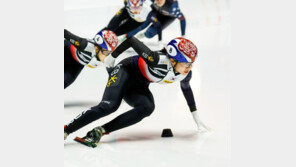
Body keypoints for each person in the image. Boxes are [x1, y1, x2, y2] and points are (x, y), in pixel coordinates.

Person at [64, 36, 210, 147]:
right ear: (172, 60)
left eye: (192, 63)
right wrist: (112, 57)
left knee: (147, 108)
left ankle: (100, 131)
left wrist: (195, 114)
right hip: (124, 71)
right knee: (109, 106)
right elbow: (132, 40)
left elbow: (186, 89)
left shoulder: (185, 73)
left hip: (139, 85)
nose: (189, 68)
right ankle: (66, 130)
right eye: (186, 63)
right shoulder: (157, 59)